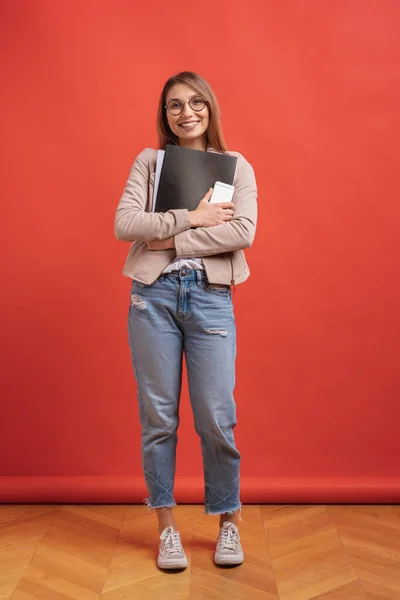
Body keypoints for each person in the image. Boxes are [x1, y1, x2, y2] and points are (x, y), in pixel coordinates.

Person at [114, 71, 258, 570]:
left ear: (210, 107)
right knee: (159, 419)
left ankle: (228, 524)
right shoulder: (149, 163)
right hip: (151, 299)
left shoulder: (237, 167)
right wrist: (193, 219)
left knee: (216, 417)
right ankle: (168, 528)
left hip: (211, 298)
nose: (186, 112)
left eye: (196, 102)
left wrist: (169, 239)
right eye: (174, 105)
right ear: (165, 115)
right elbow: (126, 224)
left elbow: (242, 231)